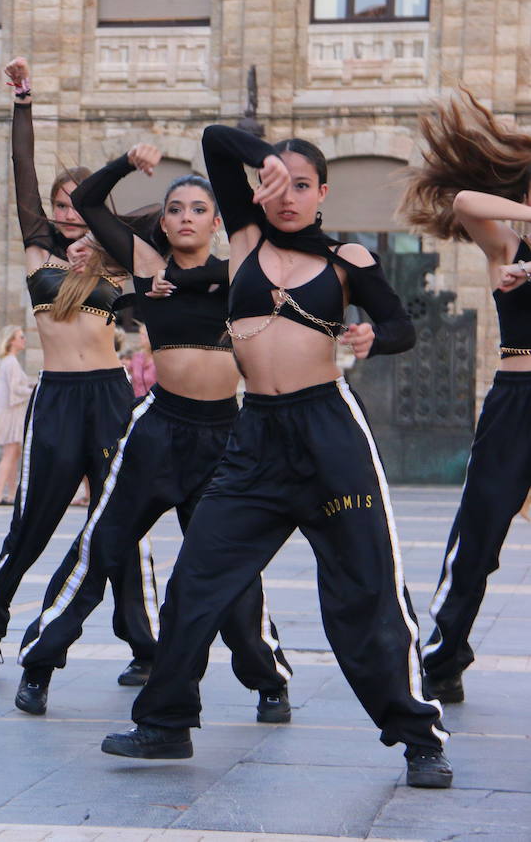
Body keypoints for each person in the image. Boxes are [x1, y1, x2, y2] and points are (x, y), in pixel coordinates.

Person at [101, 122, 451, 791]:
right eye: (275, 184)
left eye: (301, 184)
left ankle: (419, 738)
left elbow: (404, 324)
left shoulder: (346, 258)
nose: (286, 194)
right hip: (255, 436)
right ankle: (167, 722)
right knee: (197, 576)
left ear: (322, 192)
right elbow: (212, 139)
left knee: (366, 593)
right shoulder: (244, 238)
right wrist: (263, 160)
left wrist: (375, 333)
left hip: (329, 435)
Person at [11, 145, 291, 722]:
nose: (186, 216)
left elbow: (259, 233)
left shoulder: (239, 266)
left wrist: (268, 172)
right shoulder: (143, 261)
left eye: (199, 208)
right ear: (162, 221)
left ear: (217, 221)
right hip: (158, 430)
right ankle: (38, 665)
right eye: (175, 208)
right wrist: (119, 164)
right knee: (99, 548)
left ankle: (268, 679)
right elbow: (88, 202)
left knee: (229, 564)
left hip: (223, 439)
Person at [0, 58, 158, 684]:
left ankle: (141, 643)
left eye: (82, 204)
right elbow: (22, 168)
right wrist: (23, 101)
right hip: (55, 398)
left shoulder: (116, 254)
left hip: (108, 395)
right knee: (31, 523)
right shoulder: (38, 244)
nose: (71, 214)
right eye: (61, 204)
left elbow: (175, 214)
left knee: (120, 520)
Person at [401, 90, 531, 706]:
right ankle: (445, 654)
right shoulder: (508, 247)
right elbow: (463, 201)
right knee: (481, 528)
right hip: (516, 397)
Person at [0, 326, 32, 505]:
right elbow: (16, 390)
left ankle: (12, 493)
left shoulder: (7, 361)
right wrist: (32, 389)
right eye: (21, 337)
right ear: (12, 340)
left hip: (10, 412)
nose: (24, 340)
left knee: (13, 454)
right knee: (9, 454)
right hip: (10, 414)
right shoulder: (10, 362)